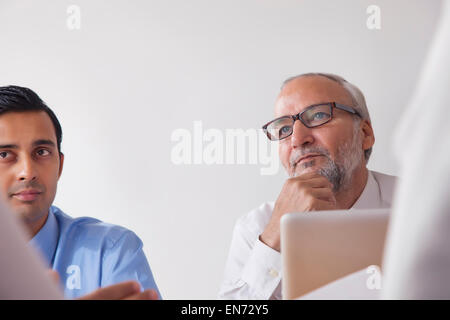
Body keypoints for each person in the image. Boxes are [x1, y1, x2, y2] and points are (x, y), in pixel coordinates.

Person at [219, 73, 397, 299]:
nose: (297, 139)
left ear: (365, 134)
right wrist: (274, 239)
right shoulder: (255, 229)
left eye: (319, 115)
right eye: (284, 130)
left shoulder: (424, 209)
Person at [0, 85, 161, 299]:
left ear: (60, 165)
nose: (27, 172)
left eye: (42, 152)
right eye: (4, 155)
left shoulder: (110, 251)